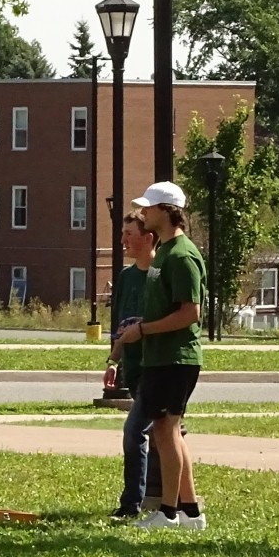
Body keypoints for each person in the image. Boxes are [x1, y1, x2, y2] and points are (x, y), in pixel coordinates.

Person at [119, 182, 207, 530]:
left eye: (149, 208)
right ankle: (190, 512)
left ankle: (167, 512)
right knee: (169, 430)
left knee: (165, 431)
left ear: (167, 212)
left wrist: (145, 330)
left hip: (175, 357)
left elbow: (191, 313)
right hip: (162, 356)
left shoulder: (182, 255)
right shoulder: (167, 251)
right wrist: (142, 325)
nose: (144, 213)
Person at [104, 211, 155, 519]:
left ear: (147, 237)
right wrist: (114, 361)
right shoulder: (125, 277)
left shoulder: (161, 275)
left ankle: (131, 505)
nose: (122, 240)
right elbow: (119, 325)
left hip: (157, 367)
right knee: (163, 432)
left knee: (135, 431)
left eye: (128, 234)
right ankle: (169, 502)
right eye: (122, 234)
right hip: (134, 368)